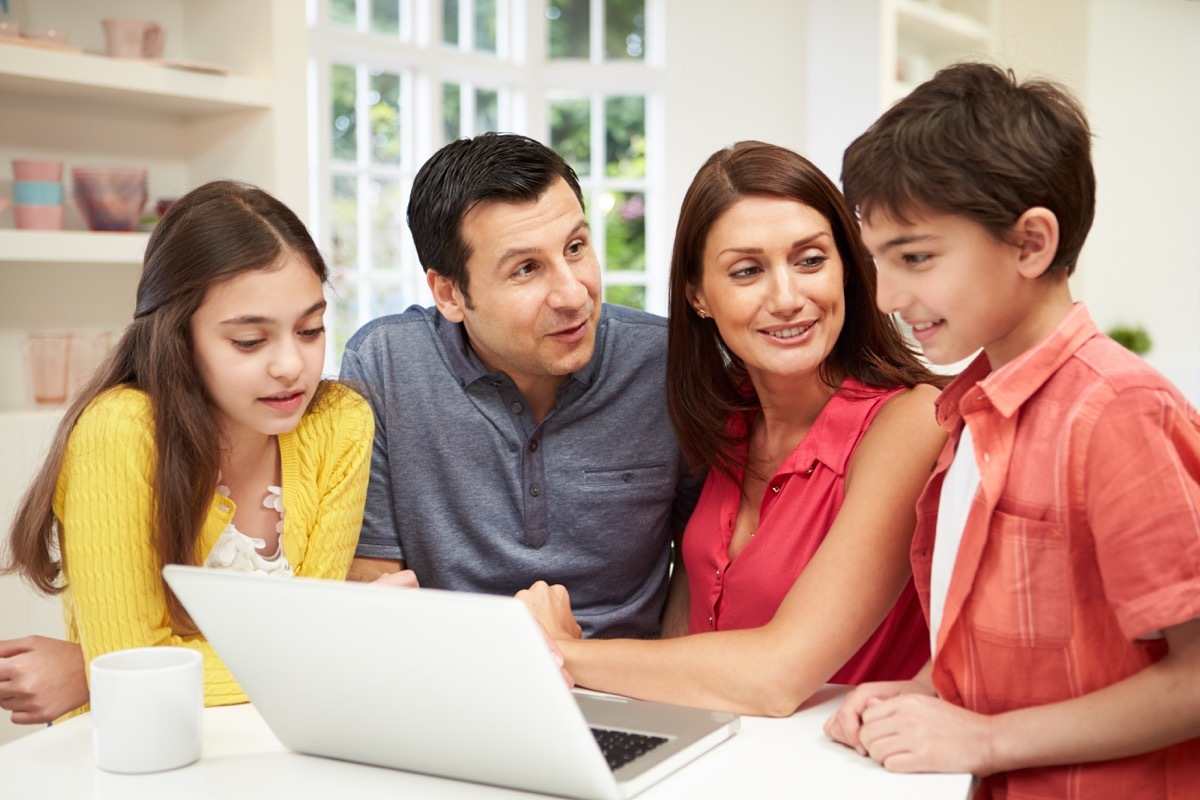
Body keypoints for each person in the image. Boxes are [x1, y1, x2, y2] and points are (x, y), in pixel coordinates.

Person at [823, 63, 1200, 798]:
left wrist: (989, 738)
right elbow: (1013, 635)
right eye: (878, 262)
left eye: (916, 257)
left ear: (1030, 244)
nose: (890, 296)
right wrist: (926, 691)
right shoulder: (972, 413)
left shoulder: (1119, 411)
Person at [517, 140, 948, 717]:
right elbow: (686, 620)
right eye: (747, 271)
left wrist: (564, 652)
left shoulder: (910, 422)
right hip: (721, 759)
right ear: (697, 295)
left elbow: (778, 675)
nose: (788, 297)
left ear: (847, 267)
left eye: (811, 260)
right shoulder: (722, 421)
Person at [0, 180, 376, 723]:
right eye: (249, 340)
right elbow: (133, 671)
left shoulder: (339, 422)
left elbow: (309, 640)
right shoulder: (121, 432)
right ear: (178, 335)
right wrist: (109, 668)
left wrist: (89, 670)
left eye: (310, 329)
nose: (291, 364)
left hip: (285, 739)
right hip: (142, 747)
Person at [341, 132, 700, 639]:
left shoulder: (667, 363)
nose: (574, 295)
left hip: (629, 690)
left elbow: (702, 560)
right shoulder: (386, 365)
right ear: (449, 294)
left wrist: (667, 688)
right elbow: (375, 586)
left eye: (576, 248)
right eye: (526, 269)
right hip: (449, 685)